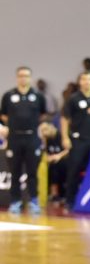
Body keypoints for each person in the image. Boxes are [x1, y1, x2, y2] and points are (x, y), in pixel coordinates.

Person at [0, 66, 47, 214]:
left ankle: (33, 200)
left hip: (32, 137)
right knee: (15, 171)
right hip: (14, 137)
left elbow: (43, 115)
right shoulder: (8, 96)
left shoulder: (38, 96)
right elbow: (4, 115)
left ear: (30, 78)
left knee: (32, 171)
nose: (23, 78)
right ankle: (15, 201)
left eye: (26, 76)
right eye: (21, 76)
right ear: (17, 78)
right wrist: (13, 125)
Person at [61, 71, 90, 210]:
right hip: (78, 139)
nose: (87, 82)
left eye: (89, 79)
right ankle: (70, 200)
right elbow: (65, 118)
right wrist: (65, 137)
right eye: (84, 79)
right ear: (80, 82)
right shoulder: (73, 98)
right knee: (74, 170)